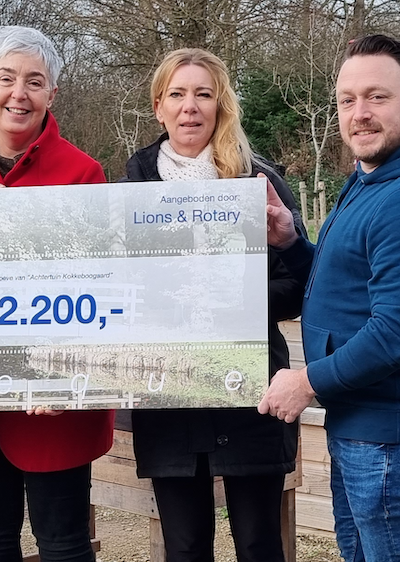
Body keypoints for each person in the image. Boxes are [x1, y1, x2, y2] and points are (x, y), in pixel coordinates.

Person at [259, 34, 400, 562]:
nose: (360, 114)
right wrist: (291, 243)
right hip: (365, 424)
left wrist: (306, 381)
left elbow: (396, 335)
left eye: (377, 96)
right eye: (347, 100)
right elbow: (347, 286)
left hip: (392, 435)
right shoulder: (373, 180)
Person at [0, 25, 114, 562]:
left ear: (52, 94)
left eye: (34, 82)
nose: (19, 94)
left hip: (52, 401)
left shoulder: (83, 172)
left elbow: (97, 287)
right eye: (7, 78)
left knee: (65, 543)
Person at [125, 48, 303, 562]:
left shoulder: (258, 181)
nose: (190, 107)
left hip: (250, 389)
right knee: (184, 547)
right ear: (159, 106)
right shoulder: (131, 186)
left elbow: (298, 284)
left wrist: (231, 300)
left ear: (220, 105)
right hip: (169, 391)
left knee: (259, 543)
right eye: (177, 94)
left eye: (203, 94)